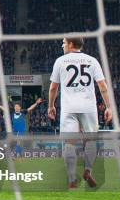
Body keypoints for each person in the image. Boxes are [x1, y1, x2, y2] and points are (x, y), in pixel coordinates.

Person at [48, 37, 112, 188]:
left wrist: (51, 106)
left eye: (64, 43)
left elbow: (53, 88)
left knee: (69, 142)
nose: (62, 45)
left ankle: (71, 179)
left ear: (70, 44)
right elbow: (102, 86)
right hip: (88, 107)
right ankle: (88, 171)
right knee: (90, 140)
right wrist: (109, 107)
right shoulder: (92, 61)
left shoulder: (60, 61)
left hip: (69, 107)